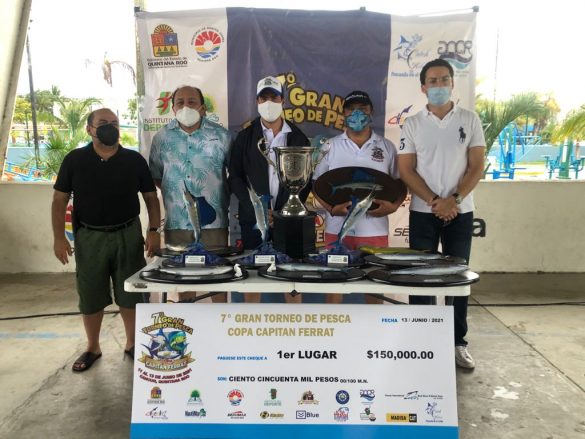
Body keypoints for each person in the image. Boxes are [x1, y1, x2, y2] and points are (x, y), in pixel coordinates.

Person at [52, 108, 161, 372]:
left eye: (114, 122)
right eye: (102, 123)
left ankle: (133, 344)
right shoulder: (75, 160)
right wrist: (58, 238)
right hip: (90, 237)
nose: (109, 127)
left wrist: (153, 230)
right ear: (89, 129)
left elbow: (150, 197)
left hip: (128, 234)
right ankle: (92, 347)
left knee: (131, 292)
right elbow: (59, 200)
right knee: (90, 293)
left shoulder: (134, 160)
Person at [397, 58, 486, 369]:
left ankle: (457, 341)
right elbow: (406, 170)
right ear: (423, 87)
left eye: (444, 79)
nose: (439, 85)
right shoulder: (412, 124)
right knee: (420, 277)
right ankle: (423, 342)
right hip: (423, 211)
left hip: (461, 212)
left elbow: (477, 166)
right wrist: (436, 201)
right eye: (432, 81)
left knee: (457, 279)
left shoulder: (469, 119)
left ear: (452, 83)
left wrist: (454, 200)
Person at [312, 90, 404, 304]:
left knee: (375, 286)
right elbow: (316, 185)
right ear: (344, 113)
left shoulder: (386, 147)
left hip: (375, 231)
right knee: (334, 285)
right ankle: (333, 325)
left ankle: (372, 327)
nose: (357, 114)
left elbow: (400, 184)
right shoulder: (330, 146)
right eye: (351, 109)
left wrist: (393, 207)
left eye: (362, 109)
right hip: (336, 230)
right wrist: (331, 209)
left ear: (371, 112)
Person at [228, 76, 311, 303]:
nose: (269, 103)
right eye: (263, 98)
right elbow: (235, 177)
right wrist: (256, 209)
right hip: (253, 220)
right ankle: (252, 324)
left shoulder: (297, 137)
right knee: (252, 278)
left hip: (289, 220)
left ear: (283, 100)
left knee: (292, 281)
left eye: (274, 97)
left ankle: (294, 323)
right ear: (257, 101)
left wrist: (283, 212)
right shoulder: (245, 137)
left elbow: (306, 181)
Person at [149, 85, 232, 303]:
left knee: (218, 277)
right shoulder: (161, 138)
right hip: (178, 223)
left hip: (214, 223)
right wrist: (176, 195)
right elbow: (157, 176)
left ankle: (221, 320)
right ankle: (188, 319)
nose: (186, 106)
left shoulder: (222, 136)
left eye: (192, 102)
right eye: (180, 102)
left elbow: (234, 175)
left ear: (203, 108)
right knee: (183, 279)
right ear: (173, 109)